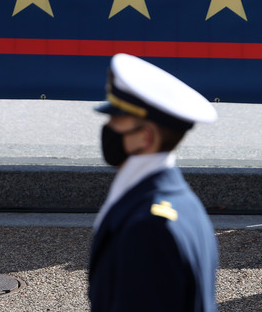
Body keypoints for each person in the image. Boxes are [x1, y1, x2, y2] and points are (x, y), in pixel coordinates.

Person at [88, 53, 219, 312]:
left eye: (117, 119)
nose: (109, 127)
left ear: (145, 136)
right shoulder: (181, 200)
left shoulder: (149, 227)